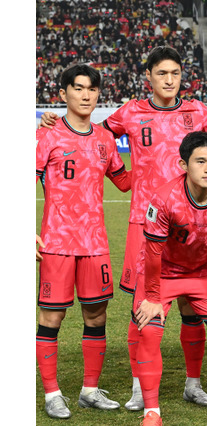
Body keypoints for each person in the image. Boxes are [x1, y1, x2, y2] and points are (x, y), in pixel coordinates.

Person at [40, 45, 207, 410]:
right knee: (139, 305)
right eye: (161, 73)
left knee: (188, 305)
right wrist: (48, 120)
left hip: (177, 225)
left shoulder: (198, 112)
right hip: (131, 226)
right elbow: (89, 138)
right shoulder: (125, 114)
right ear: (148, 76)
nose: (169, 80)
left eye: (175, 73)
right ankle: (131, 388)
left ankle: (189, 384)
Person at [133, 131, 207, 426]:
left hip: (202, 270)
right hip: (161, 272)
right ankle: (152, 412)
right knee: (149, 331)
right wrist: (152, 297)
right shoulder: (164, 198)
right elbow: (153, 252)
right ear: (183, 164)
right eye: (200, 161)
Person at [35, 64, 130, 419]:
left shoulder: (105, 139)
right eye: (78, 88)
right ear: (63, 94)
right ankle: (52, 394)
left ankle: (89, 390)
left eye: (92, 89)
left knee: (96, 315)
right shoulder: (47, 135)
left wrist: (158, 162)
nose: (86, 95)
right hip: (57, 242)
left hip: (95, 244)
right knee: (52, 316)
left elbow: (123, 181)